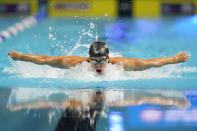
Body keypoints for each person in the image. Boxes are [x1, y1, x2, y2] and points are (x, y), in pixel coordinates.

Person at [8, 41, 189, 74]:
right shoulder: (75, 64)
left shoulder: (121, 65)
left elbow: (151, 63)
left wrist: (174, 59)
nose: (98, 65)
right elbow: (46, 59)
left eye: (102, 60)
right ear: (89, 59)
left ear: (109, 58)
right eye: (94, 61)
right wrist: (21, 56)